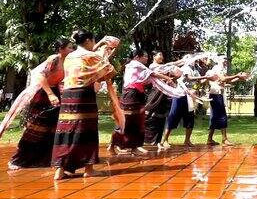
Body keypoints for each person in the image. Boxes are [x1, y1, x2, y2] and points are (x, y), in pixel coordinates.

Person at [52, 29, 118, 180]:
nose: (94, 43)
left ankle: (60, 170)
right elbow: (109, 72)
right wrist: (106, 56)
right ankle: (89, 169)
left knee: (67, 130)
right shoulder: (91, 56)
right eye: (94, 41)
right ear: (88, 41)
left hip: (68, 96)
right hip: (84, 96)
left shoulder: (69, 56)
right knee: (86, 130)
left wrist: (102, 53)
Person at [2, 39, 74, 169]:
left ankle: (43, 159)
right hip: (43, 93)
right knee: (36, 128)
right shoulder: (54, 59)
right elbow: (41, 76)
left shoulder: (68, 62)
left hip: (55, 92)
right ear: (60, 49)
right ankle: (17, 160)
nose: (72, 50)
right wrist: (50, 94)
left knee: (53, 127)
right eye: (69, 47)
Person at [109, 49, 173, 155]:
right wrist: (166, 77)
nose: (147, 58)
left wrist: (164, 79)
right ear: (137, 57)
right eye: (145, 56)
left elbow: (146, 80)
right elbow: (153, 74)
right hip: (131, 96)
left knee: (137, 122)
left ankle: (134, 147)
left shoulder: (136, 67)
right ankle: (112, 145)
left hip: (136, 95)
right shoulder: (135, 64)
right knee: (126, 121)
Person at [160, 58, 215, 149]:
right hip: (180, 96)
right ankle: (165, 140)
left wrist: (207, 78)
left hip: (190, 97)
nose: (194, 61)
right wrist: (206, 77)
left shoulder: (196, 70)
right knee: (173, 117)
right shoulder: (185, 68)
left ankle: (187, 140)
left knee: (190, 118)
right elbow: (189, 77)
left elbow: (198, 82)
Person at [205, 56, 249, 146]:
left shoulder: (222, 69)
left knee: (214, 117)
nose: (226, 61)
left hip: (217, 95)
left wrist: (239, 78)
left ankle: (209, 139)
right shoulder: (217, 68)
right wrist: (237, 75)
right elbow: (223, 79)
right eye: (224, 59)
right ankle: (224, 139)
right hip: (216, 95)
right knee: (222, 116)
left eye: (227, 60)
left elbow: (227, 81)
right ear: (219, 60)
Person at [144, 51, 183, 147]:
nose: (161, 57)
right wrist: (176, 63)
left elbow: (178, 74)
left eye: (162, 55)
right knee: (151, 116)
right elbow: (165, 68)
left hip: (163, 94)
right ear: (154, 56)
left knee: (161, 117)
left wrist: (180, 64)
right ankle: (147, 140)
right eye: (159, 55)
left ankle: (157, 141)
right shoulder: (152, 66)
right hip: (155, 94)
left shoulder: (165, 67)